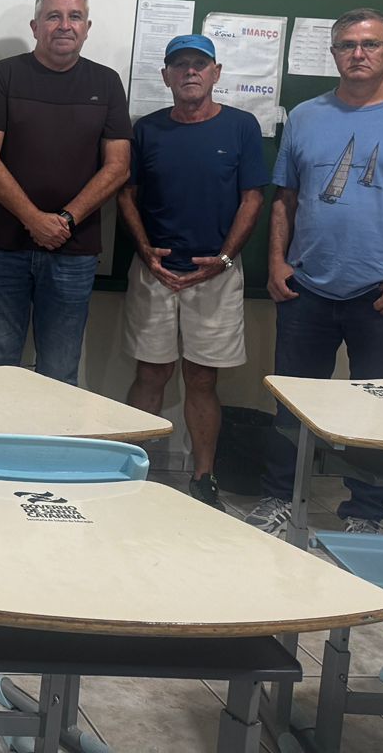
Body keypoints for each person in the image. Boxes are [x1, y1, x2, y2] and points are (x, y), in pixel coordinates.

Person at [246, 8, 383, 536]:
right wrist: (276, 263)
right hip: (307, 289)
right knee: (292, 407)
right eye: (346, 45)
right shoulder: (306, 116)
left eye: (370, 44)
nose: (358, 54)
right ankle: (282, 499)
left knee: (378, 412)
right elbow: (285, 199)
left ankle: (364, 515)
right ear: (334, 54)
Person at [119, 34, 266, 510]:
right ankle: (132, 474)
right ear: (165, 76)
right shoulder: (146, 129)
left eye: (199, 65)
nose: (189, 72)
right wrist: (145, 250)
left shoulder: (242, 126)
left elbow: (253, 198)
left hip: (217, 275)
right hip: (156, 272)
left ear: (216, 73)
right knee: (151, 373)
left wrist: (223, 258)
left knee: (202, 379)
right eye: (179, 65)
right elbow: (126, 194)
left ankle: (203, 478)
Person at [0, 0, 132, 384]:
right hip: (1, 247)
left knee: (59, 373)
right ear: (35, 26)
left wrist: (65, 220)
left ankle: (51, 433)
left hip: (73, 251)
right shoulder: (5, 75)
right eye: (53, 16)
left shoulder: (106, 83)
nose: (64, 25)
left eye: (74, 16)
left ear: (87, 27)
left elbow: (118, 167)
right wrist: (34, 219)